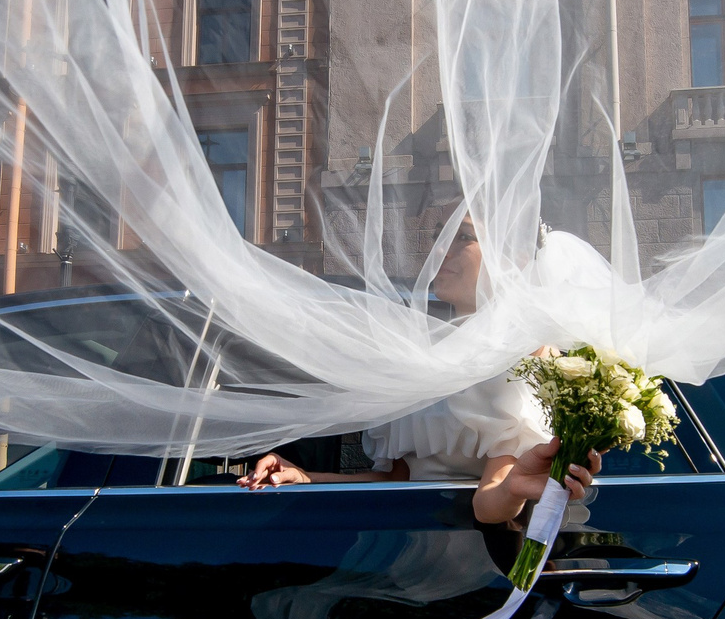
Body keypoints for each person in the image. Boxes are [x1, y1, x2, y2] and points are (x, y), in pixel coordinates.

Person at [239, 220, 599, 525]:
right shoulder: (434, 358)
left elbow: (490, 502)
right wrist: (305, 477)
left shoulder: (521, 366)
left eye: (463, 236)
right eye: (437, 237)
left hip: (467, 566)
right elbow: (400, 481)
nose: (441, 250)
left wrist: (515, 488)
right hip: (403, 544)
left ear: (515, 259)